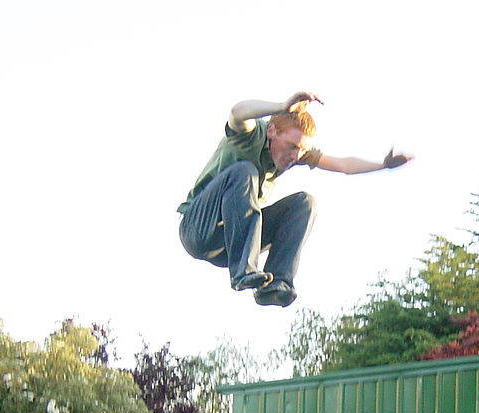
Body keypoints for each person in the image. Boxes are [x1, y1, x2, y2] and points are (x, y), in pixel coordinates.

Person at [177, 91, 412, 307]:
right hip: (198, 229)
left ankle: (276, 283)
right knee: (244, 171)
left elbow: (343, 165)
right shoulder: (250, 136)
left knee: (304, 203)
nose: (295, 156)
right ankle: (243, 272)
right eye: (292, 147)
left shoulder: (297, 154)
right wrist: (281, 106)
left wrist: (382, 166)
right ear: (272, 131)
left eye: (300, 151)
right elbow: (237, 112)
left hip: (229, 246)